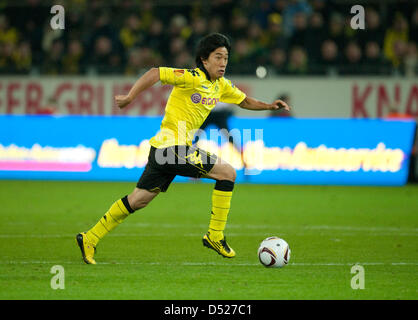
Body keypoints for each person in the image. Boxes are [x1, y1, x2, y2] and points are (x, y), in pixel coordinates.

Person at [76, 33, 290, 264]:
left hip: (165, 152)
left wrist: (269, 105)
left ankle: (91, 237)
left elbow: (244, 100)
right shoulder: (191, 77)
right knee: (227, 172)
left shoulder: (221, 86)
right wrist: (130, 97)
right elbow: (155, 73)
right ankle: (215, 235)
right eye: (218, 57)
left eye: (226, 58)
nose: (223, 63)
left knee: (138, 200)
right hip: (171, 148)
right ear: (204, 60)